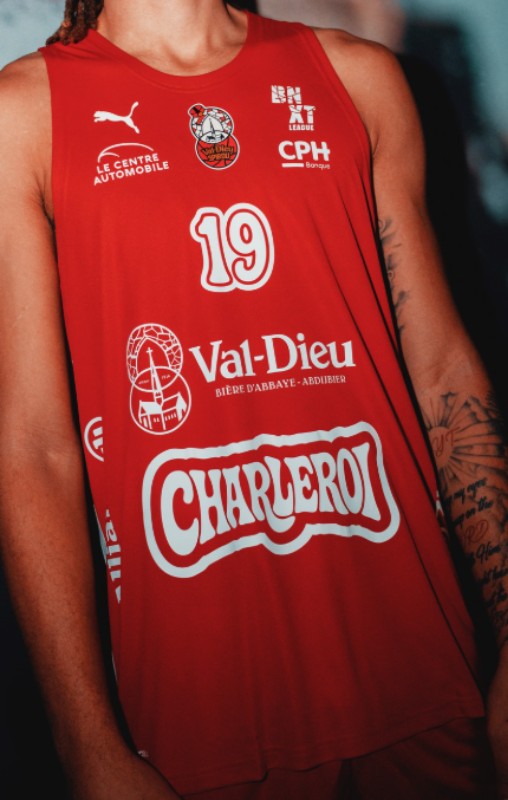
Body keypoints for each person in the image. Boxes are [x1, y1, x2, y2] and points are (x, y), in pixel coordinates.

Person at [0, 1, 507, 798]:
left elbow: (443, 370)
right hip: (199, 725)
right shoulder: (25, 114)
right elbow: (33, 446)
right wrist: (86, 745)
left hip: (426, 683)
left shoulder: (358, 78)